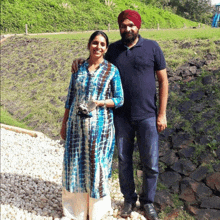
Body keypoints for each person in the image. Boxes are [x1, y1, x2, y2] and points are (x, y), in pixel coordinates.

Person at [71, 10, 168, 220]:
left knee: (150, 162)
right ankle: (129, 199)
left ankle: (148, 202)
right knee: (124, 160)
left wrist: (162, 114)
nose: (127, 29)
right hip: (120, 116)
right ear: (120, 28)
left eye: (131, 25)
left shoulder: (152, 47)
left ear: (138, 26)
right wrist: (80, 60)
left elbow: (163, 81)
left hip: (148, 116)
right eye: (123, 26)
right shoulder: (113, 49)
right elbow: (95, 58)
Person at [60, 30, 124, 220]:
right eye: (95, 43)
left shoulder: (111, 70)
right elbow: (70, 98)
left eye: (102, 44)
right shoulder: (78, 68)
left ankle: (96, 212)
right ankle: (75, 212)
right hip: (76, 127)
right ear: (89, 45)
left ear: (106, 48)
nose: (98, 47)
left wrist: (100, 102)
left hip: (100, 130)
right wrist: (64, 124)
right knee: (75, 166)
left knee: (98, 167)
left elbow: (120, 99)